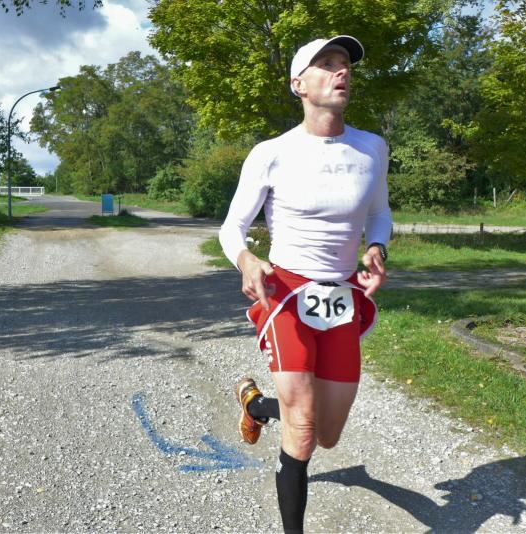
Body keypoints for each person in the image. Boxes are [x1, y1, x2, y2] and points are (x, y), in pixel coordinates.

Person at [218, 35, 392, 533]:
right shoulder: (272, 153)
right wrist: (247, 260)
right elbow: (231, 227)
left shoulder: (371, 148)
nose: (342, 72)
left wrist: (376, 249)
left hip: (341, 295)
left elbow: (379, 213)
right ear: (299, 84)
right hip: (286, 295)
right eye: (327, 64)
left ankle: (255, 404)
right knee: (303, 428)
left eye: (345, 64)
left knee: (328, 434)